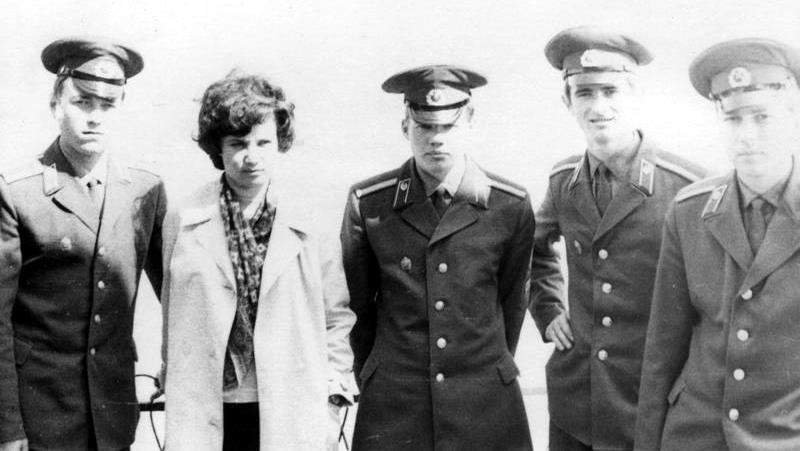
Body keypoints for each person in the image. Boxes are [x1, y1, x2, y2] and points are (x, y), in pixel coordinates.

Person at [529, 27, 706, 450]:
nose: (598, 107)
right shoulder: (563, 182)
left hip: (649, 406)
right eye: (584, 93)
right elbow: (532, 249)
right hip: (577, 405)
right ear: (567, 101)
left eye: (610, 91)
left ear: (634, 94)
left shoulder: (687, 187)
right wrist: (549, 308)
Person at [341, 65, 534, 451]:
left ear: (471, 121)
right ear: (405, 127)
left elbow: (512, 306)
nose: (436, 139)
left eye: (448, 127)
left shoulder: (509, 205)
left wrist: (482, 366)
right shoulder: (371, 204)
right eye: (425, 127)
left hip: (484, 405)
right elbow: (357, 311)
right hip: (397, 407)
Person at [160, 71, 356, 451]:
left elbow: (336, 315)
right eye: (238, 143)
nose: (252, 156)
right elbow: (172, 310)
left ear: (279, 142)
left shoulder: (310, 218)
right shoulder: (184, 218)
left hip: (291, 406)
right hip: (208, 407)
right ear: (218, 147)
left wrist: (333, 389)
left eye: (263, 142)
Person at [635, 38, 800, 451]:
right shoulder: (689, 211)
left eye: (761, 117)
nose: (746, 136)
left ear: (793, 112)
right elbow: (663, 349)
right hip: (695, 434)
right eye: (732, 119)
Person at [0, 38, 165, 450]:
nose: (95, 117)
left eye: (107, 105)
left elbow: (180, 294)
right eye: (82, 102)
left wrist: (173, 363)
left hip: (114, 415)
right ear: (55, 104)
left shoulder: (145, 191)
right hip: (39, 418)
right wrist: (7, 427)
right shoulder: (17, 194)